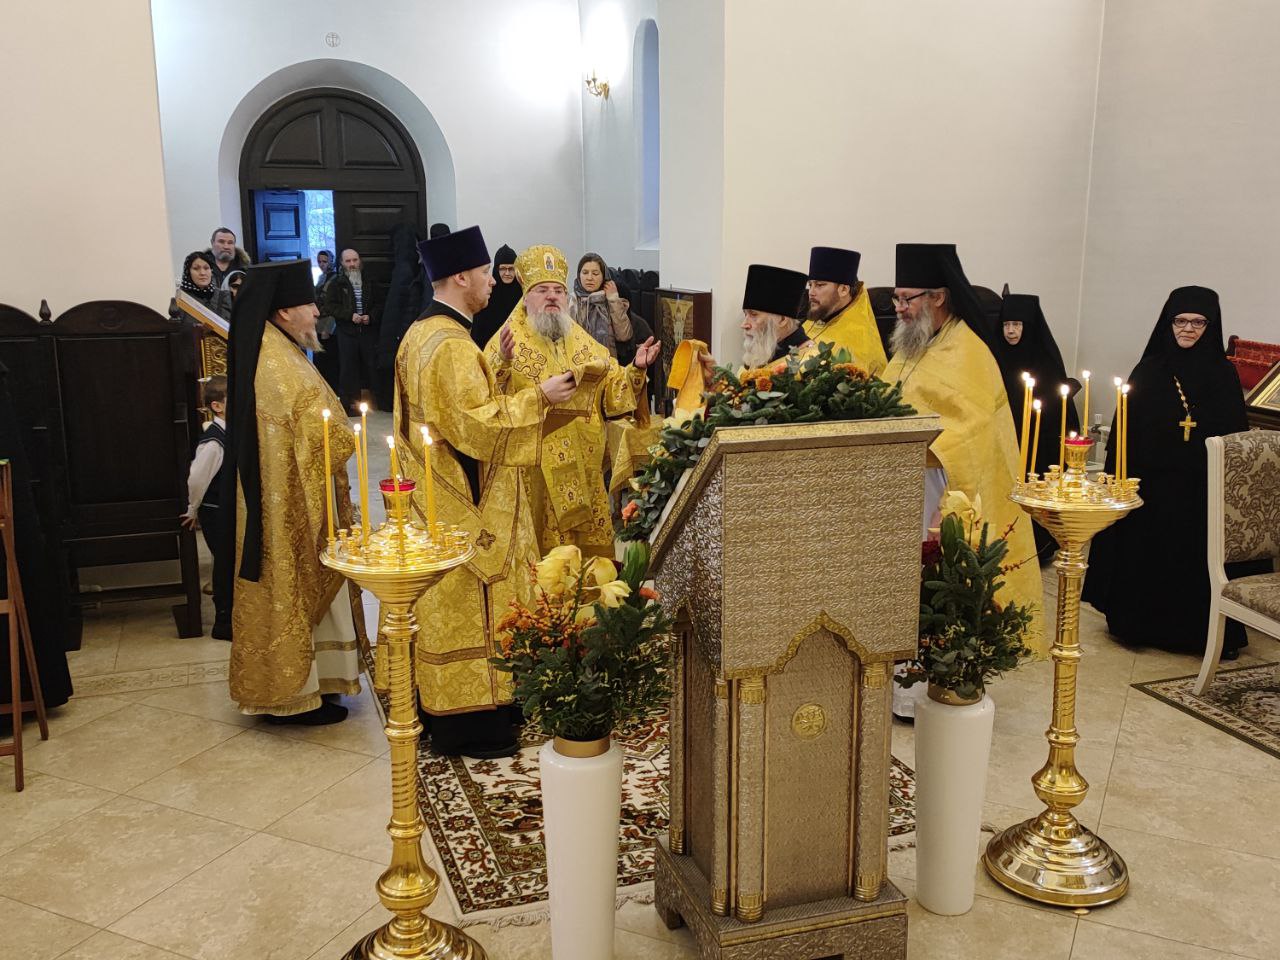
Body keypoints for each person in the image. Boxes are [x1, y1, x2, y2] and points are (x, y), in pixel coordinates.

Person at [393, 225, 578, 757]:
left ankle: (445, 712)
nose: (492, 282)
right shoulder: (451, 345)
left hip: (436, 495)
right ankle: (476, 724)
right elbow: (473, 427)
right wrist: (539, 397)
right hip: (467, 501)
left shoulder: (421, 334)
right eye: (482, 274)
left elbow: (446, 409)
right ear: (459, 278)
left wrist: (495, 368)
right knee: (477, 604)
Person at [882, 243, 1044, 717]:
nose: (899, 308)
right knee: (900, 585)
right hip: (902, 483)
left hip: (945, 489)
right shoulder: (914, 344)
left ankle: (930, 688)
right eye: (896, 298)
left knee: (933, 583)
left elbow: (971, 430)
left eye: (907, 299)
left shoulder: (967, 350)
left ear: (938, 297)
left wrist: (921, 445)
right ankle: (897, 686)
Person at [1082, 286, 1266, 659]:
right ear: (1168, 323)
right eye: (1180, 321)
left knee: (1194, 561)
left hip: (1200, 490)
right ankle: (1137, 625)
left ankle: (1197, 635)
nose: (1188, 329)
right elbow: (1126, 436)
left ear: (1210, 326)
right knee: (1146, 555)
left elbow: (1233, 438)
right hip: (1151, 488)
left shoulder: (1223, 374)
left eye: (1198, 322)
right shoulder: (1149, 370)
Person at [218, 259, 365, 724]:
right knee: (291, 585)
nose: (316, 313)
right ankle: (294, 695)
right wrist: (344, 436)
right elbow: (322, 432)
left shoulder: (271, 348)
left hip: (283, 495)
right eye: (309, 305)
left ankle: (319, 683)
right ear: (283, 312)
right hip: (286, 505)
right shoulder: (278, 363)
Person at [485, 244, 659, 557]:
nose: (552, 297)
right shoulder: (505, 342)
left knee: (589, 563)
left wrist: (636, 368)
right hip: (535, 472)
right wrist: (503, 365)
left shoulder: (582, 341)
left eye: (558, 291)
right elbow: (487, 405)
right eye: (542, 290)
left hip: (584, 465)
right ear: (526, 296)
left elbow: (613, 390)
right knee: (543, 563)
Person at [993, 287, 1080, 558]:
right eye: (1006, 324)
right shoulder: (996, 355)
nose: (1010, 331)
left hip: (1038, 441)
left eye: (1017, 325)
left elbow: (1057, 406)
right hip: (1004, 437)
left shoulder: (1045, 360)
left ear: (1028, 327)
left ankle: (1038, 547)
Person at [182, 375, 231, 639]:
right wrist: (193, 508)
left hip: (225, 509)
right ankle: (223, 622)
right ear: (217, 406)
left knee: (230, 561)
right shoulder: (213, 441)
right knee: (223, 563)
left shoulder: (228, 434)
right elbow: (197, 479)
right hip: (215, 510)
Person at [804, 246, 888, 375]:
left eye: (819, 285)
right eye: (810, 285)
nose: (811, 292)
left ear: (843, 290)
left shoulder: (859, 341)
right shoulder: (818, 319)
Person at [320, 248, 383, 413]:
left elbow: (380, 304)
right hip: (347, 332)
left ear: (359, 261)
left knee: (373, 366)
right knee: (348, 368)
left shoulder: (370, 280)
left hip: (368, 331)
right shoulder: (336, 283)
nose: (352, 264)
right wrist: (349, 316)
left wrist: (371, 316)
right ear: (342, 263)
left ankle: (382, 403)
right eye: (348, 261)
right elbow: (330, 306)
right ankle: (350, 406)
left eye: (355, 260)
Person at [569, 252, 655, 366]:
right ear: (579, 275)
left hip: (608, 367)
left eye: (595, 273)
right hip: (576, 366)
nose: (589, 278)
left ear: (603, 277)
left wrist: (613, 299)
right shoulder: (571, 301)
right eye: (585, 273)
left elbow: (624, 335)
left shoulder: (611, 301)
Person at [739, 264, 812, 369]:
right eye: (745, 314)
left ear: (782, 320)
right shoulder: (763, 353)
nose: (744, 324)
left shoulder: (808, 362)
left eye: (754, 314)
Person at [470, 243, 522, 351]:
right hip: (489, 353)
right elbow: (478, 332)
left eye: (511, 269)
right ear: (496, 269)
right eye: (503, 269)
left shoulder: (523, 296)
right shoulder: (486, 296)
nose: (507, 273)